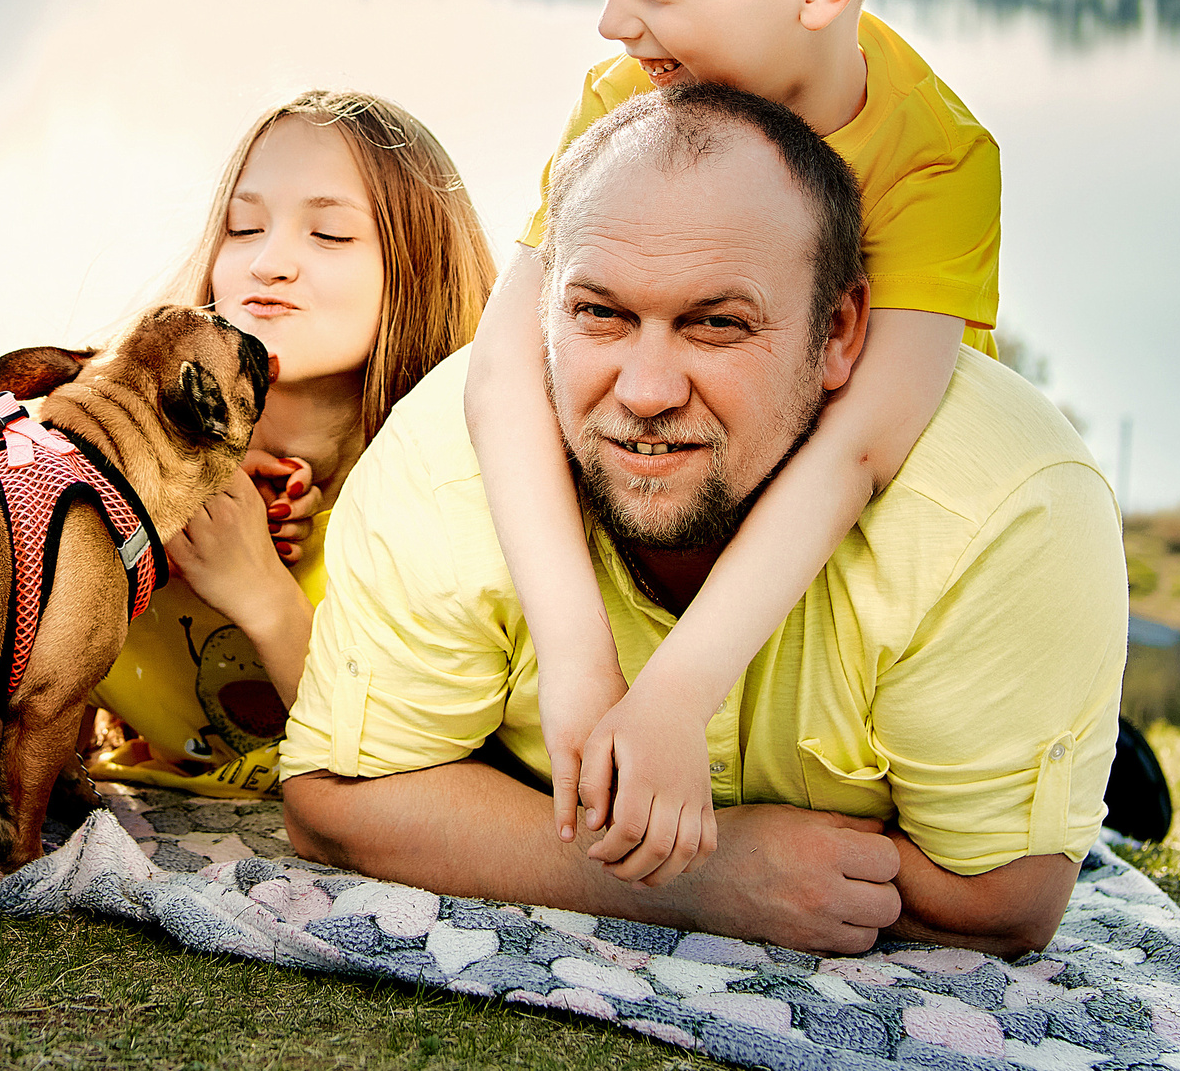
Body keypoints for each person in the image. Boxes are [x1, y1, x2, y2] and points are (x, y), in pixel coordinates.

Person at [282, 84, 1124, 956]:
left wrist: (500, 825)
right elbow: (337, 801)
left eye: (717, 324)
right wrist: (700, 877)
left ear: (839, 332)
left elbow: (1004, 900)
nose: (646, 392)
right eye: (599, 313)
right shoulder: (448, 460)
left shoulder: (1001, 508)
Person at [463, 0, 1004, 885]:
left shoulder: (936, 163)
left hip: (841, 574)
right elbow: (505, 362)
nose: (615, 23)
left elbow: (862, 450)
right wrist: (579, 662)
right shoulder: (618, 99)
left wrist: (673, 700)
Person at [88, 90, 495, 796]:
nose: (267, 263)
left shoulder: (451, 506)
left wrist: (264, 596)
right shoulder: (115, 451)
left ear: (418, 269)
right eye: (243, 228)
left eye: (329, 235)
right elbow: (0, 711)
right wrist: (138, 520)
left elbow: (407, 768)